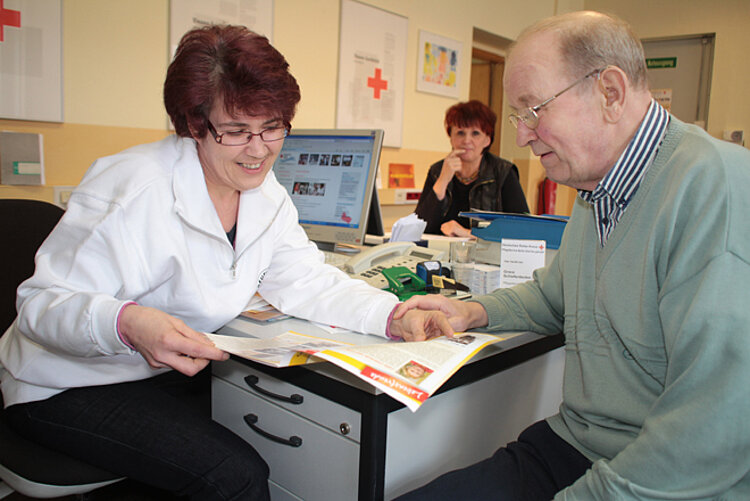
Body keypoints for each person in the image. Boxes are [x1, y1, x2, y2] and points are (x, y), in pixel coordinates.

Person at [0, 25, 448, 500]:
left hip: (158, 376)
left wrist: (390, 315)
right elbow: (40, 303)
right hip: (65, 385)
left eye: (273, 127)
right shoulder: (132, 188)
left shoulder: (266, 195)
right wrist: (127, 322)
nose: (259, 150)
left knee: (281, 425)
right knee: (237, 475)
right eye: (235, 131)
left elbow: (305, 279)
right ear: (195, 124)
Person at [393, 10, 750, 500]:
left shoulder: (716, 189)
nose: (521, 135)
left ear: (610, 92)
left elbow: (712, 431)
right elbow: (554, 297)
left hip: (667, 478)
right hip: (578, 444)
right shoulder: (596, 191)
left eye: (532, 109)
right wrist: (470, 309)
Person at [415, 100, 529, 237]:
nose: (466, 140)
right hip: (442, 254)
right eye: (460, 133)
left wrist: (466, 233)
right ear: (450, 137)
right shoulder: (437, 171)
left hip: (487, 256)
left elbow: (522, 230)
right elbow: (418, 228)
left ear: (487, 140)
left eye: (475, 133)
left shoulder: (503, 171)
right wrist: (442, 181)